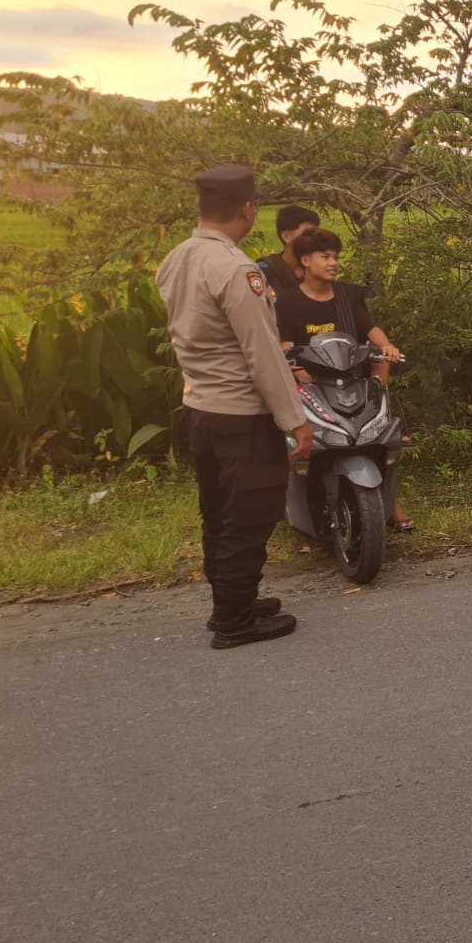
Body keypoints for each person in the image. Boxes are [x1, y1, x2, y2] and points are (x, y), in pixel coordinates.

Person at [156, 164, 312, 649]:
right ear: (248, 210)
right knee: (250, 515)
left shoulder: (176, 259)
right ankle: (235, 621)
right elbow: (262, 353)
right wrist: (295, 420)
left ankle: (231, 598)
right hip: (241, 415)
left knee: (219, 511)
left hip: (199, 409)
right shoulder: (236, 269)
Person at [275, 227, 415, 531]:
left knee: (379, 419)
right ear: (306, 260)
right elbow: (284, 345)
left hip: (351, 378)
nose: (333, 262)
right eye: (325, 256)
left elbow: (370, 330)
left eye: (336, 256)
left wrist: (387, 346)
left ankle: (388, 496)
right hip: (309, 382)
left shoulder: (348, 295)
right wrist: (295, 366)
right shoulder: (287, 303)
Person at [255, 205, 320, 292]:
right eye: (307, 233)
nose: (314, 239)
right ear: (286, 237)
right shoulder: (263, 272)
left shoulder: (318, 271)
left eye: (316, 234)